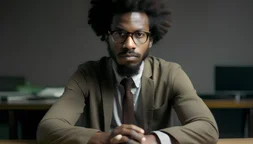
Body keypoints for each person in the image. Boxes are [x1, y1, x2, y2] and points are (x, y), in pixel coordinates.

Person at [36, 0, 219, 143]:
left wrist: (153, 140)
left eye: (139, 34)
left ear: (151, 40)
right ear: (106, 37)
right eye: (120, 33)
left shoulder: (171, 74)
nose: (129, 44)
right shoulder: (87, 75)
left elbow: (207, 127)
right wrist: (104, 139)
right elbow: (48, 128)